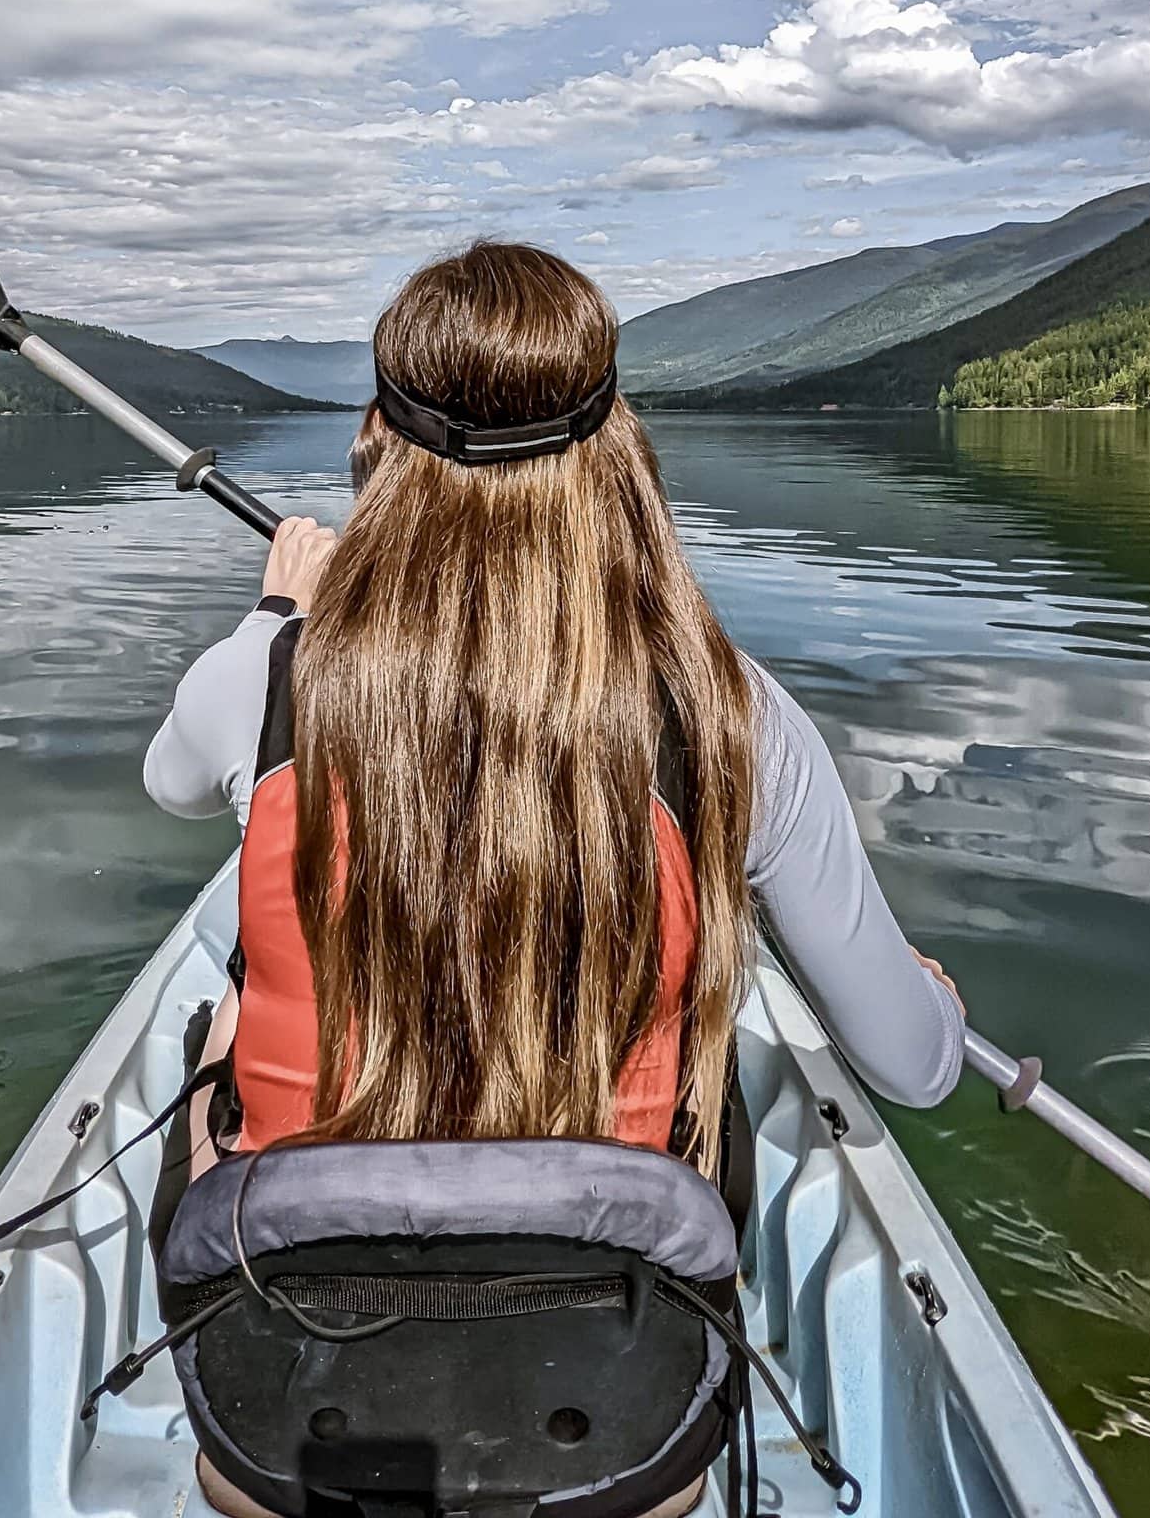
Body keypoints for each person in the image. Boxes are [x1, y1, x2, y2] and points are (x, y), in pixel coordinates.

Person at [146, 241, 962, 1515]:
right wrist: (930, 996)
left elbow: (170, 785)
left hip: (269, 1407)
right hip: (625, 1434)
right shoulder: (728, 712)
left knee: (212, 1032)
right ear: (614, 439)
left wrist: (273, 618)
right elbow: (914, 1066)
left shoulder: (264, 680)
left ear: (376, 436)